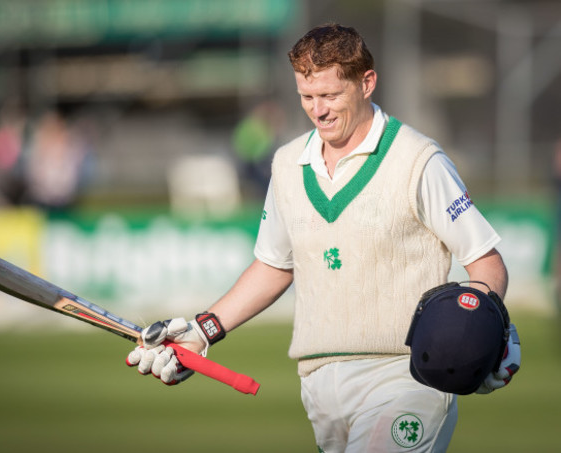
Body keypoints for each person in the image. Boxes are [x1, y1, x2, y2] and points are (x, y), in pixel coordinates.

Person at [127, 24, 520, 452]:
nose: (319, 111)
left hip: (406, 376)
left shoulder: (418, 160)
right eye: (307, 97)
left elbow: (485, 261)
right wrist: (202, 331)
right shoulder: (287, 164)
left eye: (331, 96)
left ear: (367, 82)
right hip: (318, 383)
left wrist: (483, 329)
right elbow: (274, 265)